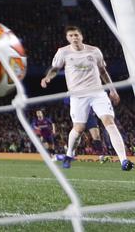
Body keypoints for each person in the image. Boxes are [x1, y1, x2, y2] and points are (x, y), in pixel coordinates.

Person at [41, 25, 130, 170]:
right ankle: (69, 154)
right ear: (67, 38)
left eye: (76, 35)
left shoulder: (94, 51)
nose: (74, 38)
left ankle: (124, 161)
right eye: (71, 36)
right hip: (78, 96)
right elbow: (55, 68)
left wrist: (112, 90)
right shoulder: (62, 52)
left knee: (109, 122)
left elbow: (103, 71)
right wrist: (47, 78)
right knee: (79, 128)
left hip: (97, 93)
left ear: (81, 36)